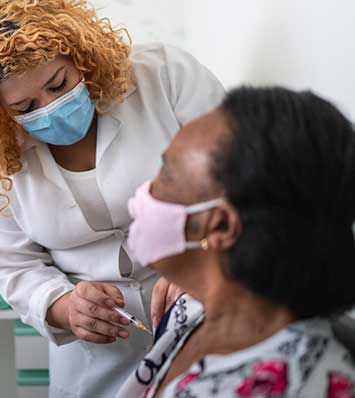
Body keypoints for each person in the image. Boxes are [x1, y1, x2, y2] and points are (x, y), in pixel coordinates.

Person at [0, 0, 224, 395]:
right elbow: (14, 264)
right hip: (96, 355)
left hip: (201, 308)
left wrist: (198, 258)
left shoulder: (163, 76)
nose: (51, 109)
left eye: (58, 84)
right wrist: (63, 306)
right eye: (25, 107)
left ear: (80, 55)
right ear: (1, 112)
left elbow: (238, 178)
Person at [116, 86, 355, 398]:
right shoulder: (192, 309)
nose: (146, 191)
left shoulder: (295, 384)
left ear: (221, 226)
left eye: (166, 175)